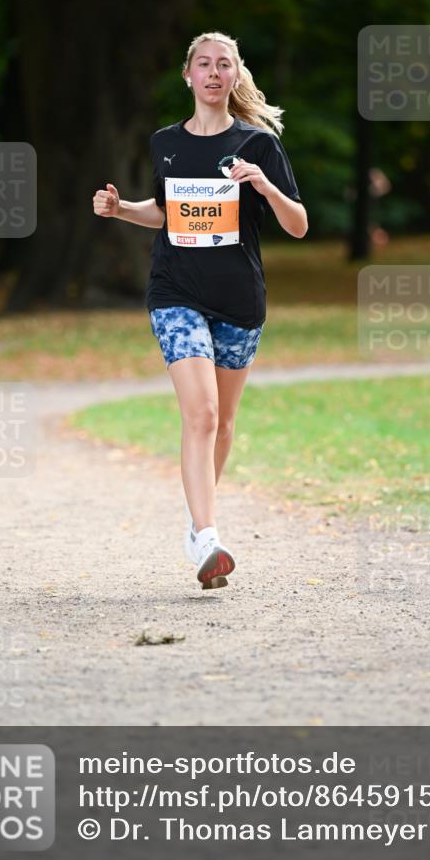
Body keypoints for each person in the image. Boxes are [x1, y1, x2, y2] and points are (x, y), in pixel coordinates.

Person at [93, 31, 308, 590]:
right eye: (204, 64)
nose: (214, 73)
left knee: (225, 423)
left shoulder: (258, 145)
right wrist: (121, 210)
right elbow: (166, 214)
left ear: (236, 76)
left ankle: (196, 528)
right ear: (187, 74)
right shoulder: (166, 142)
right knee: (203, 415)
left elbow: (299, 225)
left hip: (240, 300)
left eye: (225, 64)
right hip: (175, 292)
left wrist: (263, 185)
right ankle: (209, 537)